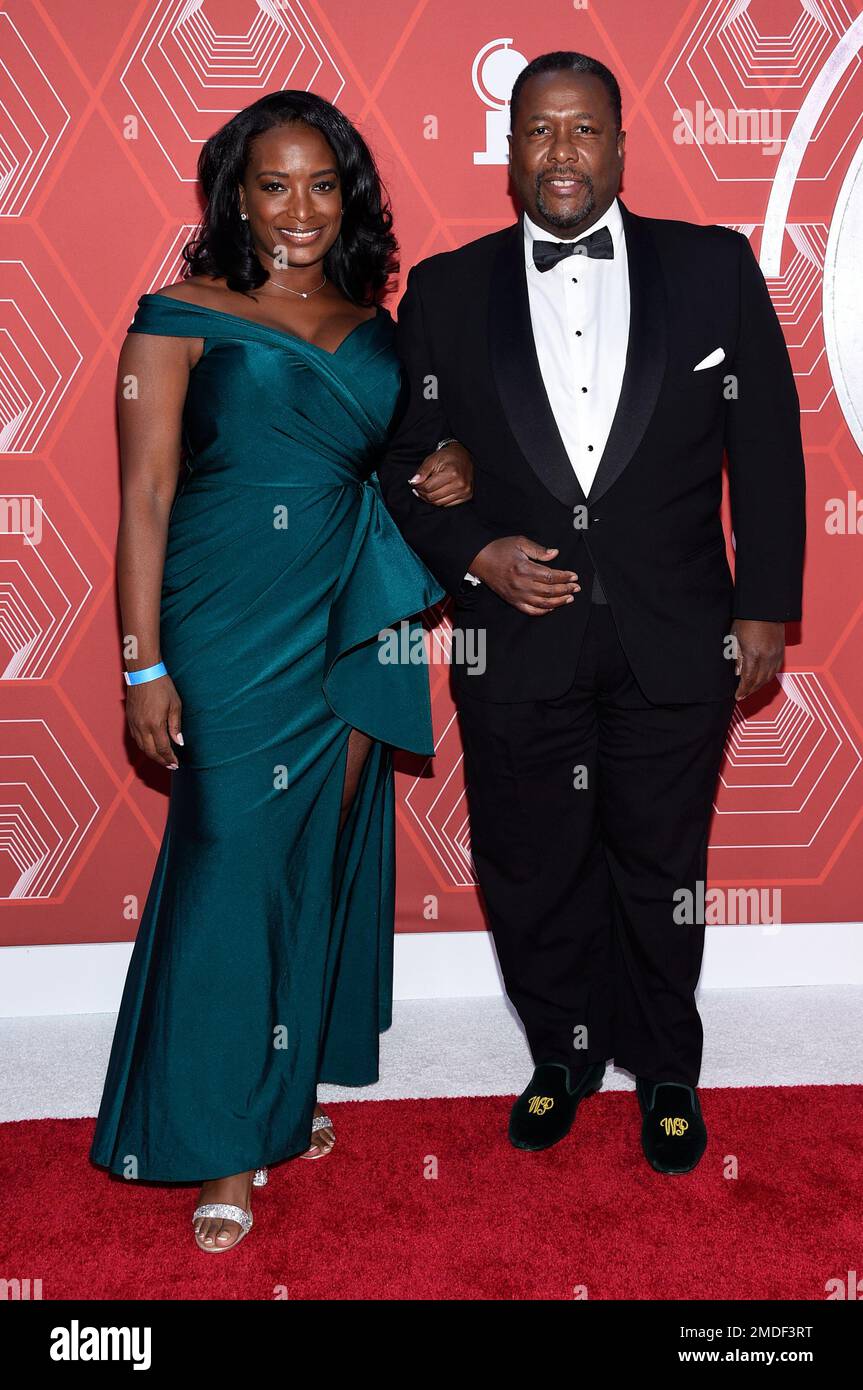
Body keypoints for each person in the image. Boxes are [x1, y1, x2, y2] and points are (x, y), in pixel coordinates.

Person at [379, 51, 805, 1174]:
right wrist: (475, 547)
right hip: (516, 636)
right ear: (506, 154)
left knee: (660, 863)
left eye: (581, 131)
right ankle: (562, 1056)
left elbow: (763, 448)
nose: (558, 153)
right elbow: (403, 463)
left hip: (677, 630)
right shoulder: (445, 288)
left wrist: (763, 606)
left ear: (619, 145)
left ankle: (665, 1065)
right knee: (530, 860)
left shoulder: (712, 268)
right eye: (536, 133)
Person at [89, 90, 472, 1250]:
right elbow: (145, 497)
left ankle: (278, 1086)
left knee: (315, 861)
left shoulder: (376, 320)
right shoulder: (176, 315)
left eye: (321, 184)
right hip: (219, 613)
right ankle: (219, 1145)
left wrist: (441, 467)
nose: (299, 208)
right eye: (273, 184)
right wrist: (141, 661)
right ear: (235, 196)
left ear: (345, 194)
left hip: (340, 610)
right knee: (228, 862)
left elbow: (398, 460)